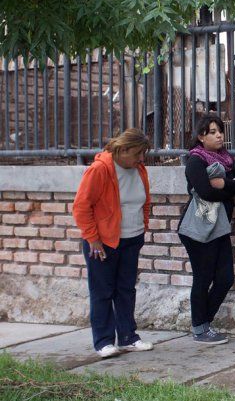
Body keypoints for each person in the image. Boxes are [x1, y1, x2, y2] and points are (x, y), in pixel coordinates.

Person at [73, 128, 153, 359]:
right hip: (103, 243)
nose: (141, 159)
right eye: (138, 153)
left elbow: (144, 201)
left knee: (126, 290)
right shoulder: (100, 169)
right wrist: (93, 239)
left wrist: (143, 225)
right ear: (123, 150)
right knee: (102, 291)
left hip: (132, 238)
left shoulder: (139, 169)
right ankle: (103, 341)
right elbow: (81, 207)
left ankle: (128, 337)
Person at [178, 114, 235, 345]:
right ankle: (200, 328)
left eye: (219, 130)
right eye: (212, 131)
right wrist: (230, 188)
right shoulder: (195, 161)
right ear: (201, 137)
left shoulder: (226, 159)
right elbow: (206, 193)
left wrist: (224, 184)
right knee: (203, 277)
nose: (219, 135)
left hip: (219, 228)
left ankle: (202, 323)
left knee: (225, 278)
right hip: (199, 230)